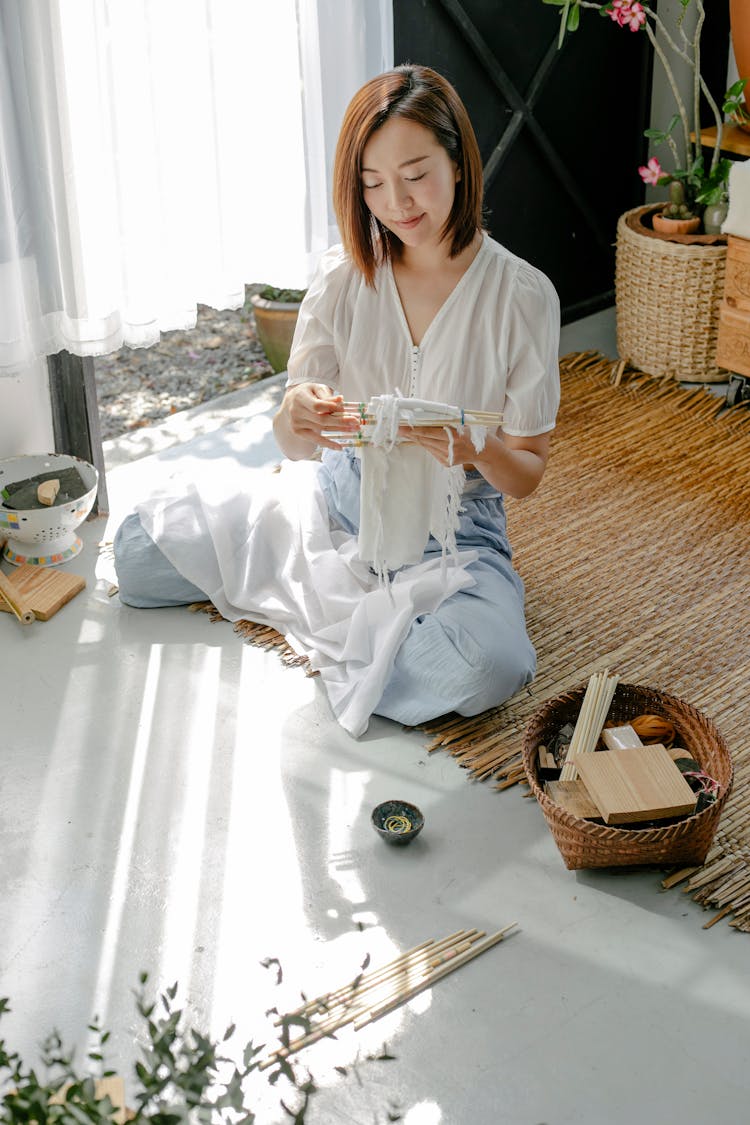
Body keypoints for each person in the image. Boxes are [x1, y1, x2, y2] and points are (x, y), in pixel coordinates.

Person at [114, 64, 560, 737]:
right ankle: (353, 628)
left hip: (453, 528)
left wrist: (479, 448)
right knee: (137, 553)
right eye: (373, 183)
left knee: (487, 665)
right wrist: (295, 416)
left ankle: (331, 620)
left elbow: (526, 472)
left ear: (460, 162)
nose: (398, 203)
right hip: (337, 498)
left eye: (416, 174)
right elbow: (296, 441)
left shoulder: (522, 296)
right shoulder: (344, 273)